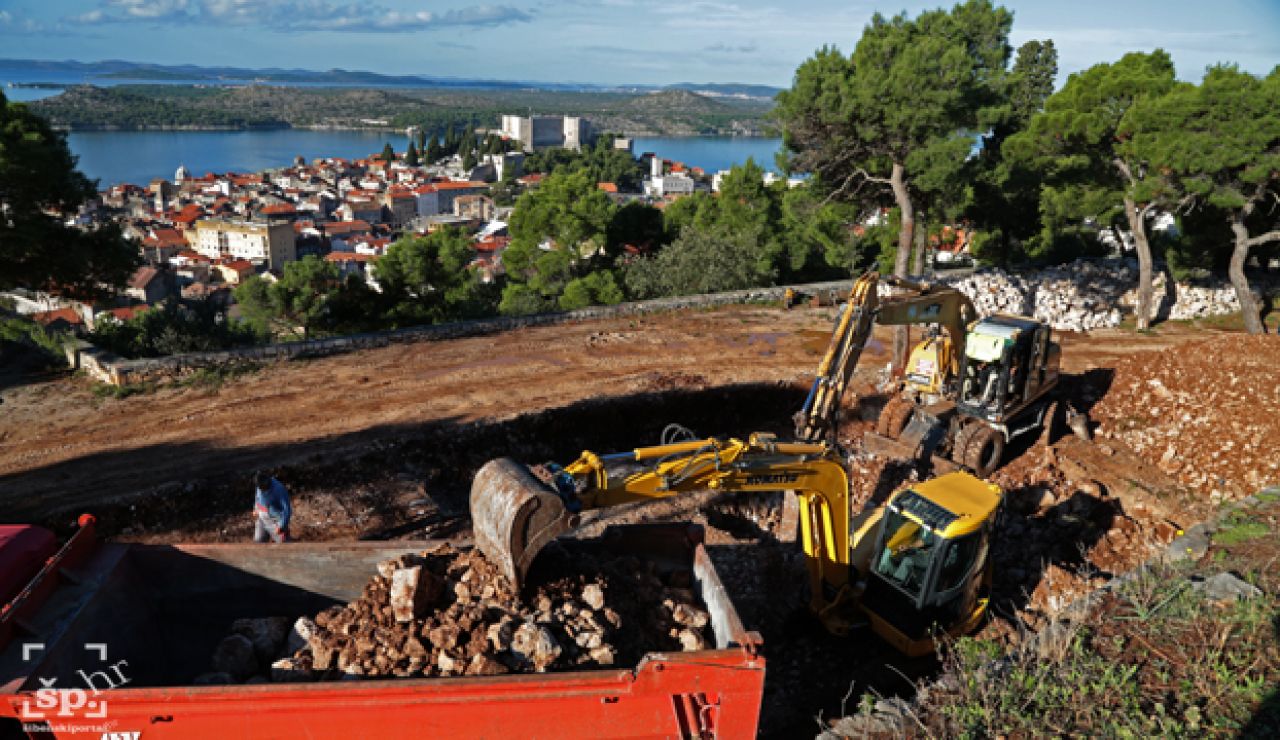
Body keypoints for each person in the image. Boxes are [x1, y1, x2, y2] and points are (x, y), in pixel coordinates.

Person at [253, 471, 292, 543]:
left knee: (284, 544)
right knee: (258, 541)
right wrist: (255, 509)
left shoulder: (279, 489)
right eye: (260, 487)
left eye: (263, 488)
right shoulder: (259, 484)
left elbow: (287, 510)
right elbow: (257, 498)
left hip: (275, 519)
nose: (261, 489)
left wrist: (281, 526)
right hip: (262, 517)